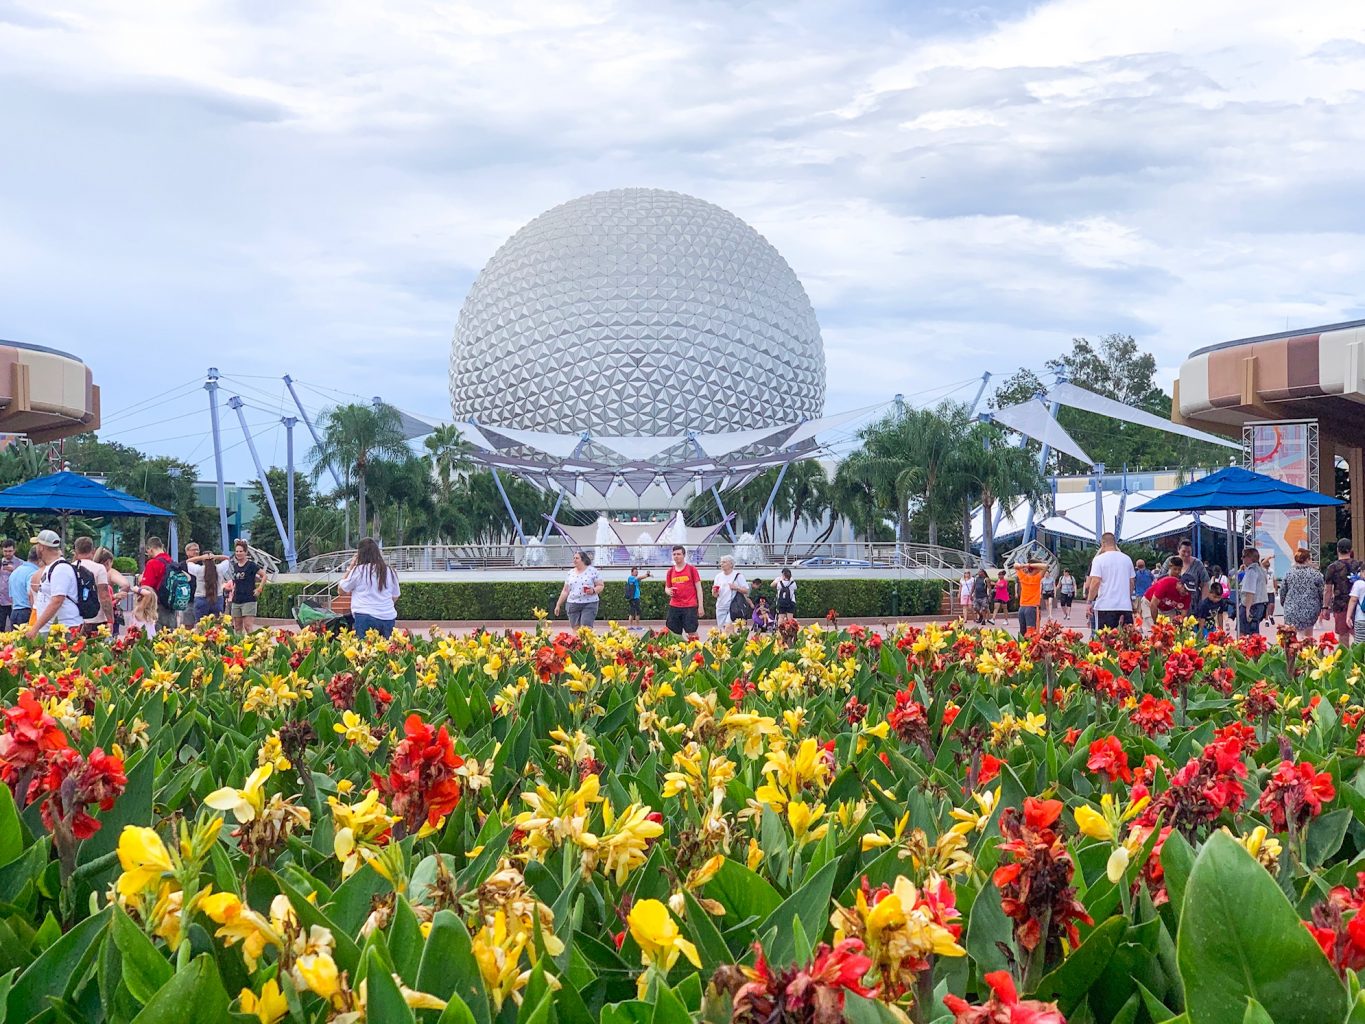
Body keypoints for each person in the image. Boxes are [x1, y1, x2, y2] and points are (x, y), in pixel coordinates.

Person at [25, 530, 83, 638]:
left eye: (37, 545)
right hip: (52, 630)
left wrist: (35, 628)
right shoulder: (51, 567)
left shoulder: (61, 569)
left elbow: (57, 601)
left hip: (64, 629)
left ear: (41, 547)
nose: (36, 548)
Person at [339, 537, 400, 638]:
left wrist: (351, 566)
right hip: (388, 617)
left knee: (366, 652)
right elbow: (395, 596)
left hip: (365, 617)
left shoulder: (359, 571)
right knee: (386, 651)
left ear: (360, 554)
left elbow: (341, 590)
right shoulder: (390, 571)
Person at [1086, 532, 1136, 630]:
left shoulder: (1098, 560)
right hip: (1125, 606)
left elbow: (1095, 582)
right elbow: (1131, 582)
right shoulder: (1127, 559)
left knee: (1105, 640)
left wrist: (1089, 601)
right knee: (1126, 640)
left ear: (1103, 543)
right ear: (1115, 543)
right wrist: (1127, 597)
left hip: (1105, 606)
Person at [1280, 547, 1325, 639]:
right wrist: (1321, 605)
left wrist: (1284, 604)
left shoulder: (1289, 573)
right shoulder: (1316, 574)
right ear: (1307, 559)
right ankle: (1307, 652)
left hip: (1291, 609)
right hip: (1310, 609)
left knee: (1292, 637)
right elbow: (1321, 592)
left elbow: (1282, 591)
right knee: (1308, 637)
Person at [138, 536, 181, 632]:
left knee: (157, 638)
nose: (147, 554)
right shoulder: (172, 562)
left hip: (157, 606)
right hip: (171, 605)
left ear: (151, 549)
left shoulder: (152, 563)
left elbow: (146, 588)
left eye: (147, 551)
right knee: (171, 637)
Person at [72, 536, 113, 635]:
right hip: (96, 618)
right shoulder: (99, 568)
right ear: (93, 551)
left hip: (76, 618)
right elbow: (104, 596)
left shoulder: (70, 567)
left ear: (76, 551)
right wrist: (110, 619)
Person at [1323, 538, 1360, 644]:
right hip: (1358, 605)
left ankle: (1345, 658)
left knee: (1343, 635)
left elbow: (1328, 590)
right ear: (1351, 550)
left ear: (1337, 549)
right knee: (1359, 635)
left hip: (1340, 605)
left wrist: (1325, 607)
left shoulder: (1332, 568)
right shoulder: (1359, 566)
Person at [183, 542, 229, 626]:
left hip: (201, 598)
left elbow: (188, 561)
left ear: (203, 560)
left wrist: (201, 557)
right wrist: (214, 556)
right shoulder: (220, 568)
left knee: (199, 625)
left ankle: (198, 639)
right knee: (217, 625)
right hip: (217, 597)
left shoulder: (199, 569)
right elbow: (227, 559)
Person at [554, 550, 603, 629]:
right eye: (573, 558)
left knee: (586, 628)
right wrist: (558, 604)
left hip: (589, 603)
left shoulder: (593, 571)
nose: (574, 560)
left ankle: (586, 641)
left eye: (577, 558)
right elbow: (565, 590)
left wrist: (593, 590)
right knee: (575, 629)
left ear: (583, 560)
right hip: (573, 604)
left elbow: (600, 586)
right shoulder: (570, 573)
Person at [663, 544, 704, 637]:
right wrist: (668, 591)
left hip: (689, 606)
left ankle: (695, 650)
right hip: (674, 606)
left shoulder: (691, 569)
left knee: (692, 631)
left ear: (684, 555)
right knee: (673, 633)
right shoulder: (670, 571)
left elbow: (699, 588)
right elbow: (667, 587)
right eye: (674, 554)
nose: (676, 556)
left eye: (678, 554)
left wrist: (700, 606)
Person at [225, 539, 266, 632]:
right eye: (237, 551)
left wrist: (259, 588)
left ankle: (251, 644)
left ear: (245, 552)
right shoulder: (235, 566)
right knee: (237, 627)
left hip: (248, 599)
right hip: (236, 599)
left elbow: (264, 575)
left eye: (241, 551)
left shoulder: (251, 565)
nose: (239, 553)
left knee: (248, 626)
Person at [94, 547, 130, 634]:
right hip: (106, 615)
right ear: (108, 562)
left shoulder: (91, 571)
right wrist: (116, 598)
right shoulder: (110, 573)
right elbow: (126, 585)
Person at [712, 555, 750, 630]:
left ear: (731, 564)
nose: (721, 564)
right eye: (721, 562)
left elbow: (746, 590)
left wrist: (736, 588)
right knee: (722, 630)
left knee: (728, 627)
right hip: (720, 606)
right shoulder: (718, 576)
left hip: (733, 607)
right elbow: (715, 595)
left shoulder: (738, 576)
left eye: (724, 562)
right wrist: (714, 592)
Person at [1238, 547, 1269, 636]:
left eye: (1243, 557)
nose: (1242, 559)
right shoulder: (1261, 570)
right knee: (1255, 632)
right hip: (1260, 605)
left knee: (1243, 634)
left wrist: (1247, 610)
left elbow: (1249, 592)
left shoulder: (1251, 571)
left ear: (1249, 558)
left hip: (1251, 605)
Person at [1014, 559, 1048, 636]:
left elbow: (1015, 565)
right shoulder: (1037, 577)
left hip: (1022, 608)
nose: (1040, 570)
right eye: (1038, 569)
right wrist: (1030, 565)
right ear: (1035, 569)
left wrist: (1025, 565)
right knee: (1032, 633)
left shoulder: (1023, 576)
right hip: (1032, 608)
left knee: (1023, 632)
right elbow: (1045, 566)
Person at [8, 546, 38, 632]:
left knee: (16, 642)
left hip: (14, 612)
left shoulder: (15, 571)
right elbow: (31, 594)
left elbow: (11, 595)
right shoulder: (33, 572)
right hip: (27, 612)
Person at [1176, 537, 1210, 607]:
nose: (1186, 554)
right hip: (1173, 604)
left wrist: (1203, 603)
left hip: (1193, 604)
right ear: (1178, 550)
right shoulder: (1170, 561)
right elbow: (1161, 579)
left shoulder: (1198, 564)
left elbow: (1205, 583)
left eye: (1189, 552)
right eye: (1184, 551)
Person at [0, 539, 17, 632]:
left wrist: (14, 570)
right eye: (5, 551)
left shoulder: (20, 564)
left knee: (15, 629)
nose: (7, 554)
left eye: (10, 551)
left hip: (14, 601)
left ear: (14, 550)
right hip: (1, 600)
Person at [1347, 571, 1365, 646]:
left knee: (1360, 645)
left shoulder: (1359, 583)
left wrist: (1348, 616)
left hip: (1361, 619)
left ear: (1363, 572)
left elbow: (1353, 600)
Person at [1262, 557, 1278, 627]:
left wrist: (1276, 588)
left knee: (1272, 605)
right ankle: (1266, 621)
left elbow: (1274, 580)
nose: (1268, 563)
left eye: (1269, 562)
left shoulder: (1272, 570)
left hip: (1271, 590)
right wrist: (1269, 557)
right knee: (1266, 606)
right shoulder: (1261, 570)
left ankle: (1271, 615)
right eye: (1266, 562)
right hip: (1264, 591)